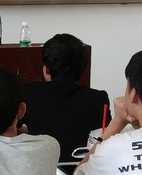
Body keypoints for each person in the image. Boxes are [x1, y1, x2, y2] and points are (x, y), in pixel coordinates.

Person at [20, 33, 111, 162]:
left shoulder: (28, 93)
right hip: (83, 168)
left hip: (42, 167)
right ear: (82, 68)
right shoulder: (99, 99)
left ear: (47, 69)